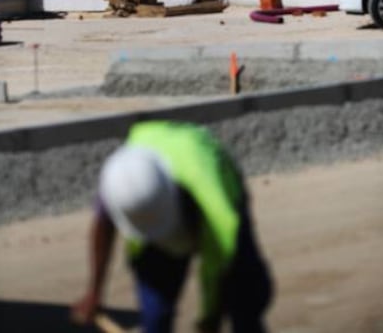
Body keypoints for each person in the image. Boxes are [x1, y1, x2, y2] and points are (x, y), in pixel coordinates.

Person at [71, 119, 274, 333]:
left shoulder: (217, 207)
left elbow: (216, 266)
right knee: (156, 312)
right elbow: (103, 225)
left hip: (216, 190)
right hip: (165, 190)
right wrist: (94, 292)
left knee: (245, 297)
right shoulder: (123, 178)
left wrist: (209, 319)